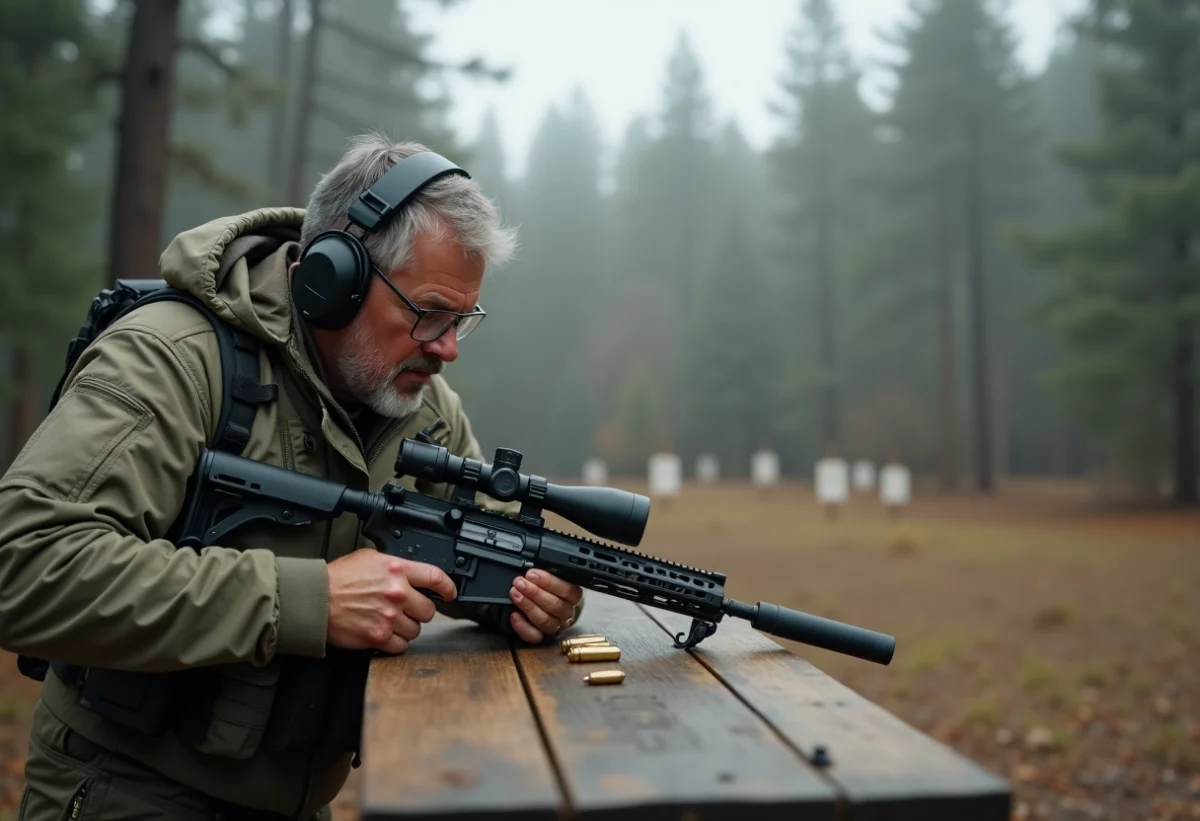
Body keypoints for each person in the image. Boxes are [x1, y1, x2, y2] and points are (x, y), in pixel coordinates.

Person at [0, 133, 586, 821]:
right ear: (332, 282)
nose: (448, 347)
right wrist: (309, 600)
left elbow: (477, 543)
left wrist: (538, 594)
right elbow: (25, 563)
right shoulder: (171, 359)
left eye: (463, 318)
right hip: (127, 792)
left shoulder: (422, 409)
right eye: (429, 312)